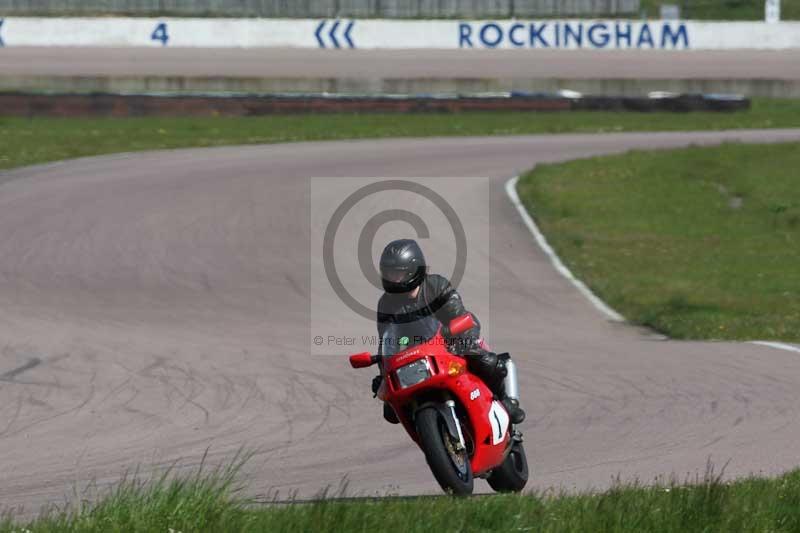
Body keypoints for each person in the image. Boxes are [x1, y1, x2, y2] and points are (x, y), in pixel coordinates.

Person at [372, 238, 525, 425]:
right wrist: (383, 373)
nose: (393, 278)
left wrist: (459, 336)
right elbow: (387, 340)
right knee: (391, 408)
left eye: (398, 273)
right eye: (389, 273)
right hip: (415, 353)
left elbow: (458, 314)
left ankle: (505, 402)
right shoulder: (386, 303)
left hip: (453, 337)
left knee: (483, 359)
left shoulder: (436, 285)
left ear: (414, 270)